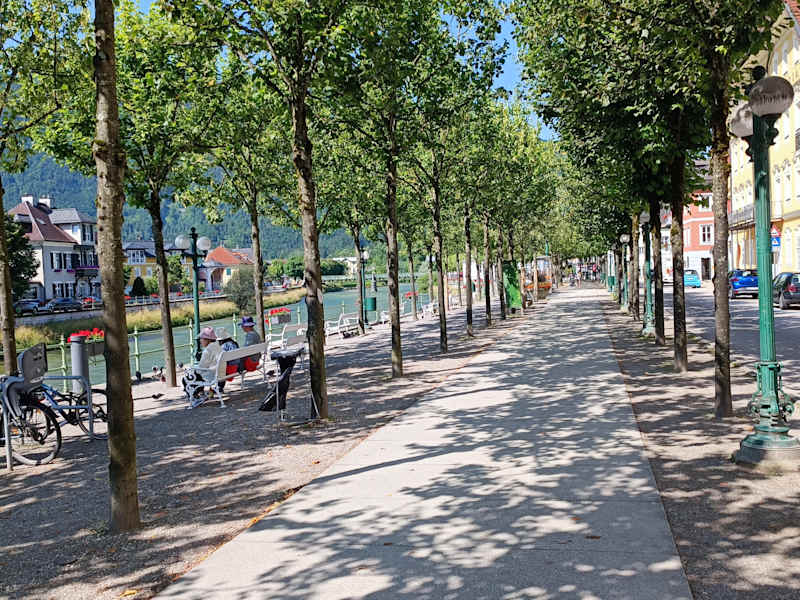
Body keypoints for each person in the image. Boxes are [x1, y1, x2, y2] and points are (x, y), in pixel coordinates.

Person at [183, 327, 221, 407]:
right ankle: (200, 394)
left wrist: (192, 369)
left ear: (207, 340)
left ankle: (194, 398)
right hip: (220, 373)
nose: (200, 341)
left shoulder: (208, 350)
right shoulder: (218, 346)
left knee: (186, 378)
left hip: (212, 375)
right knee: (196, 374)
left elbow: (201, 368)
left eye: (201, 339)